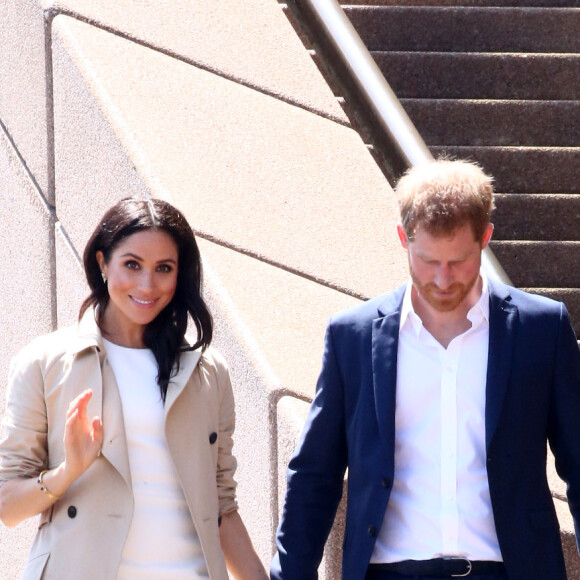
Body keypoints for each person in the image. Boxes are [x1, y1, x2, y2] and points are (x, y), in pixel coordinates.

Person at [271, 159, 580, 580]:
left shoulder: (540, 329)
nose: (442, 278)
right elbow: (315, 474)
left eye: (458, 261)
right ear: (403, 238)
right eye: (427, 260)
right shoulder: (354, 336)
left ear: (485, 238)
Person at [0, 198, 268, 580]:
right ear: (101, 263)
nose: (147, 284)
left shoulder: (207, 372)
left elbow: (222, 508)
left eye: (164, 268)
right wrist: (68, 471)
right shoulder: (44, 362)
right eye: (132, 264)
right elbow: (8, 506)